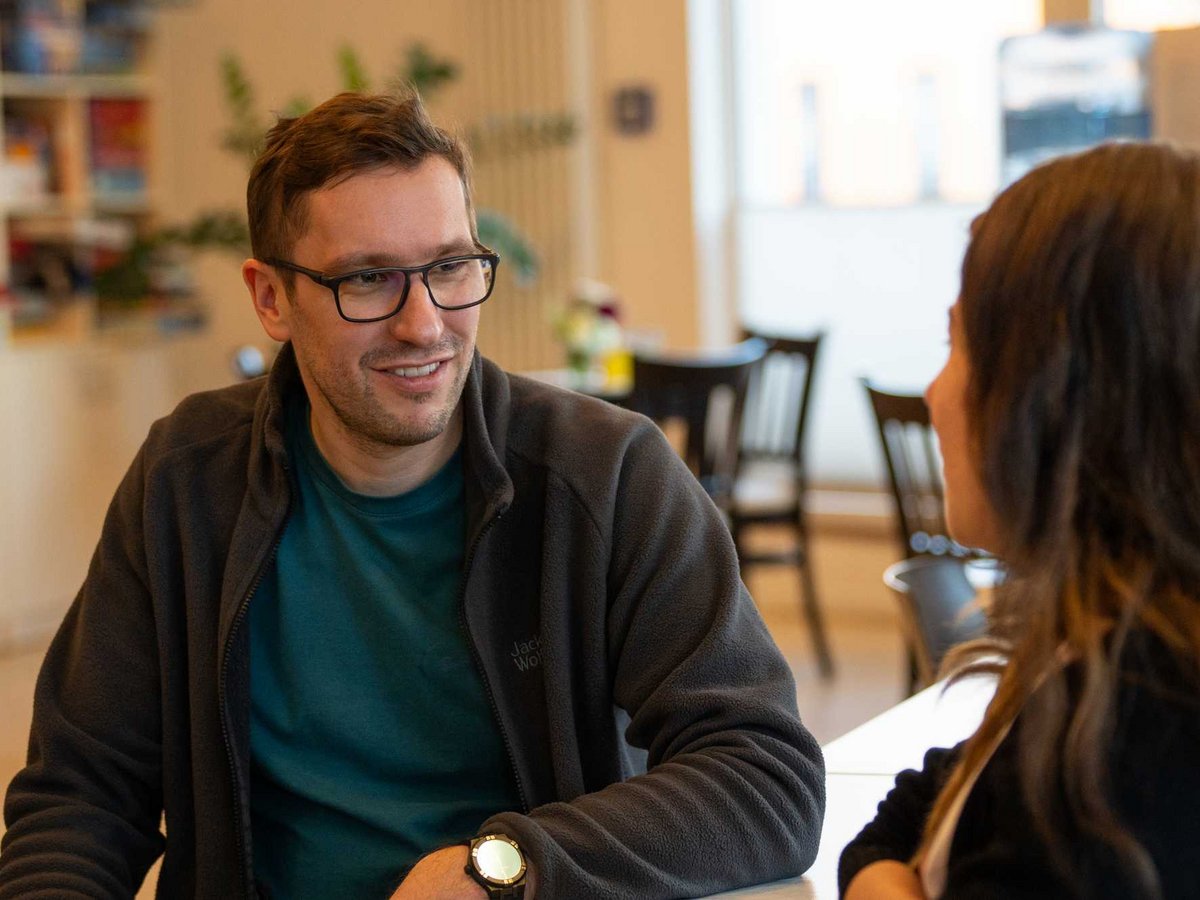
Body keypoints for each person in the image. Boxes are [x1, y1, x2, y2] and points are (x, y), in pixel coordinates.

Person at [0, 91, 825, 899]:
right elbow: (80, 799)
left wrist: (503, 867)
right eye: (367, 281)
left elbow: (766, 777)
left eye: (450, 266)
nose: (425, 324)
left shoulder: (606, 476)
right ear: (270, 298)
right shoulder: (184, 482)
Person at [839, 141, 1200, 899]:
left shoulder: (1119, 766)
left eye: (957, 343)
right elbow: (915, 806)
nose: (935, 394)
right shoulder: (1101, 662)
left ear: (1050, 397)